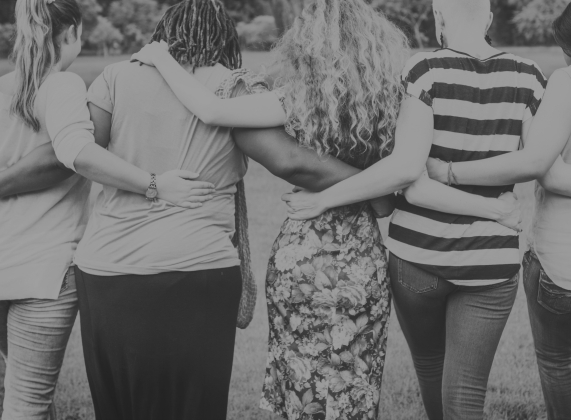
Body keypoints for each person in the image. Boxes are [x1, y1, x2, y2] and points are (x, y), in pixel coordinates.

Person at [132, 0, 524, 418]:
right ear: (375, 46)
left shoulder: (299, 99)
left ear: (307, 46)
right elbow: (402, 179)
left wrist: (161, 57)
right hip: (362, 261)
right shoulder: (394, 101)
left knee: (300, 386)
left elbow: (211, 110)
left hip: (303, 256)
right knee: (354, 387)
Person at [278, 0, 571, 417]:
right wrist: (496, 212)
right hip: (490, 262)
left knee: (430, 367)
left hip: (416, 259)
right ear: (490, 20)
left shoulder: (424, 70)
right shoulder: (530, 76)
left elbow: (409, 176)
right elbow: (541, 163)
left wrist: (322, 199)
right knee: (465, 391)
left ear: (438, 18)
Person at [0, 0, 212, 419]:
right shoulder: (62, 85)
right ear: (71, 32)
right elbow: (76, 152)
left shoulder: (4, 86)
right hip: (42, 270)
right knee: (26, 407)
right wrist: (154, 184)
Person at [421, 0, 571, 418]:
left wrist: (449, 172)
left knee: (559, 359)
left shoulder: (569, 81)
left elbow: (542, 168)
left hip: (565, 265)